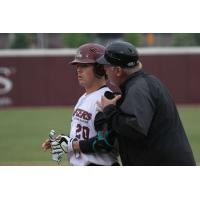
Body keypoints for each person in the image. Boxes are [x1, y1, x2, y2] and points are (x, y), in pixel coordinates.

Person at [95, 41, 196, 166]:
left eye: (107, 65)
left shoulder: (138, 88)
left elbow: (135, 128)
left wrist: (109, 110)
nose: (104, 69)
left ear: (118, 70)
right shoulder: (142, 84)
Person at [42, 43, 119, 166]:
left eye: (84, 65)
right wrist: (61, 140)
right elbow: (85, 135)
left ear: (100, 68)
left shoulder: (107, 99)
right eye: (77, 65)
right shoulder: (83, 98)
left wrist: (70, 145)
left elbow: (105, 143)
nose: (78, 69)